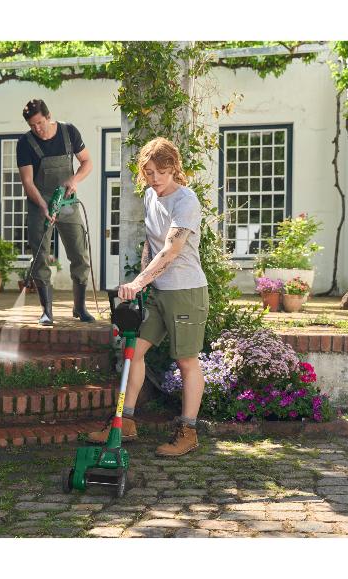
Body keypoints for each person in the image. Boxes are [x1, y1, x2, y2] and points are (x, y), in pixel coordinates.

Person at [87, 137, 209, 457]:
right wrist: (144, 283)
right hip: (159, 292)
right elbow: (151, 245)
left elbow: (172, 249)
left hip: (186, 291)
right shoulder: (150, 197)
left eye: (160, 172)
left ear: (173, 169)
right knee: (134, 351)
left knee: (186, 361)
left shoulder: (185, 201)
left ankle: (188, 431)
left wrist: (139, 281)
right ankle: (124, 422)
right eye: (149, 172)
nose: (154, 179)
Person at [17, 99, 94, 326]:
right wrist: (42, 205)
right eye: (33, 126)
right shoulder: (25, 143)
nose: (37, 129)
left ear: (49, 116)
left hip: (67, 202)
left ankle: (79, 308)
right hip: (39, 202)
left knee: (80, 254)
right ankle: (47, 312)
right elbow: (28, 183)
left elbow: (87, 162)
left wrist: (74, 179)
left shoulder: (69, 132)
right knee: (40, 258)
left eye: (40, 123)